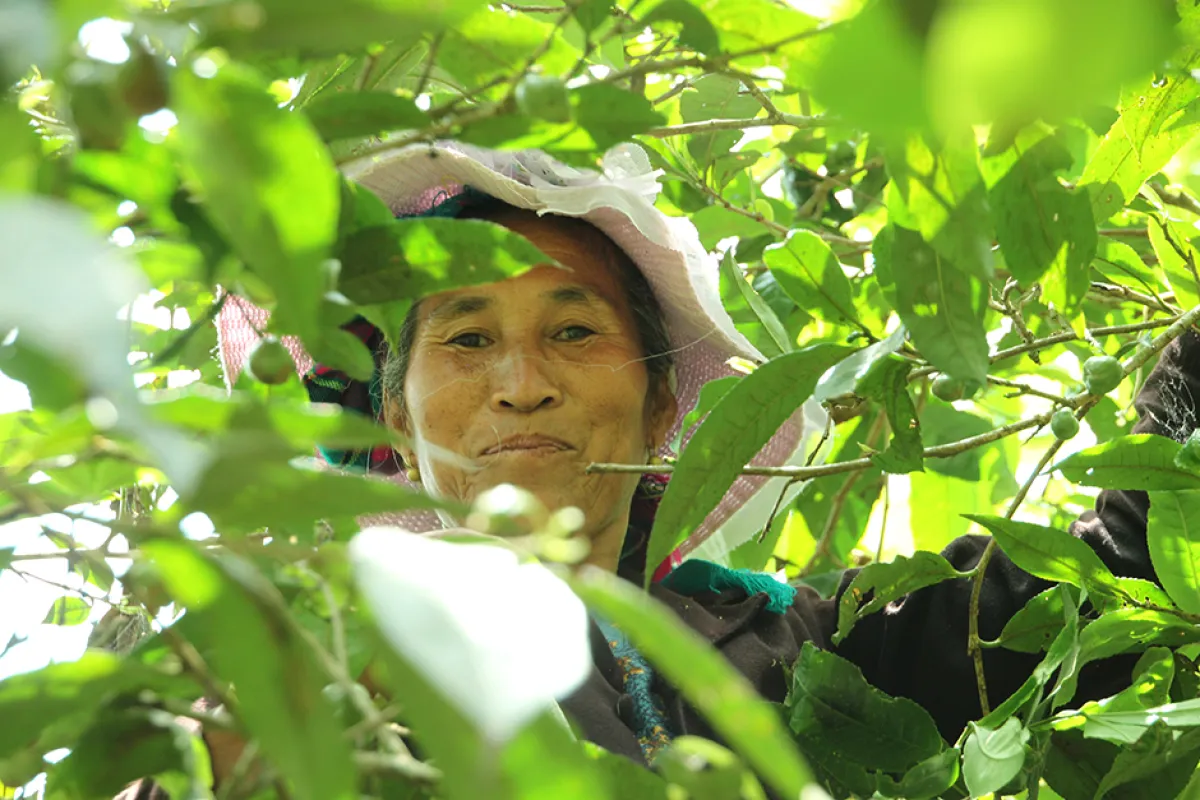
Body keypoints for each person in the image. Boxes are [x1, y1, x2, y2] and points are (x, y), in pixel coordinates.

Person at [130, 141, 1197, 794]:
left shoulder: (792, 648)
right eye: (464, 339)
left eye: (575, 332)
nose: (520, 382)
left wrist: (1180, 412)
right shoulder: (321, 636)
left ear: (661, 406)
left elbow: (1073, 599)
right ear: (395, 424)